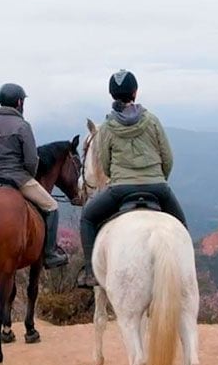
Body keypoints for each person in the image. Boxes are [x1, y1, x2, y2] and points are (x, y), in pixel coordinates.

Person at [77, 69, 187, 288]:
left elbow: (105, 163)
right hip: (158, 187)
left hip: (120, 189)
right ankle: (184, 272)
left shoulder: (107, 126)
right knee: (181, 227)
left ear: (112, 95)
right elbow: (168, 157)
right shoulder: (152, 120)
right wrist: (158, 179)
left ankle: (91, 273)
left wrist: (118, 177)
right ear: (135, 92)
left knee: (87, 219)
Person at [0, 83, 68, 269]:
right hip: (18, 178)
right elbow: (32, 160)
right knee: (51, 206)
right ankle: (49, 254)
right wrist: (29, 176)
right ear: (19, 102)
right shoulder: (23, 126)